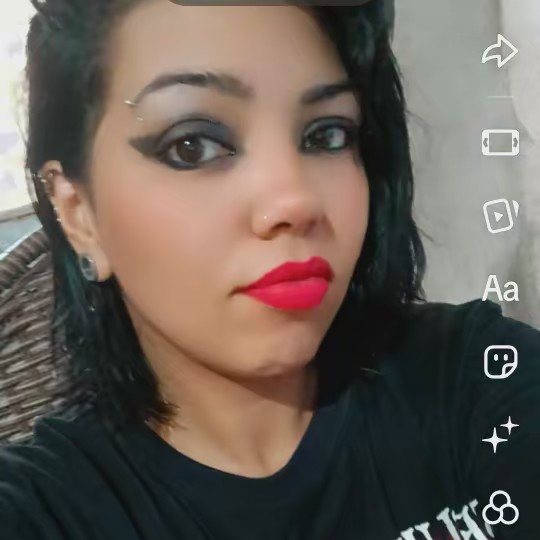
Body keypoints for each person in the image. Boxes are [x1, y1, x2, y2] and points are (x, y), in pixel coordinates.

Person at [1, 1, 539, 539]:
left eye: (327, 135)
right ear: (79, 214)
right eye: (192, 146)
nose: (295, 200)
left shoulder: (477, 378)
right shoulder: (45, 511)